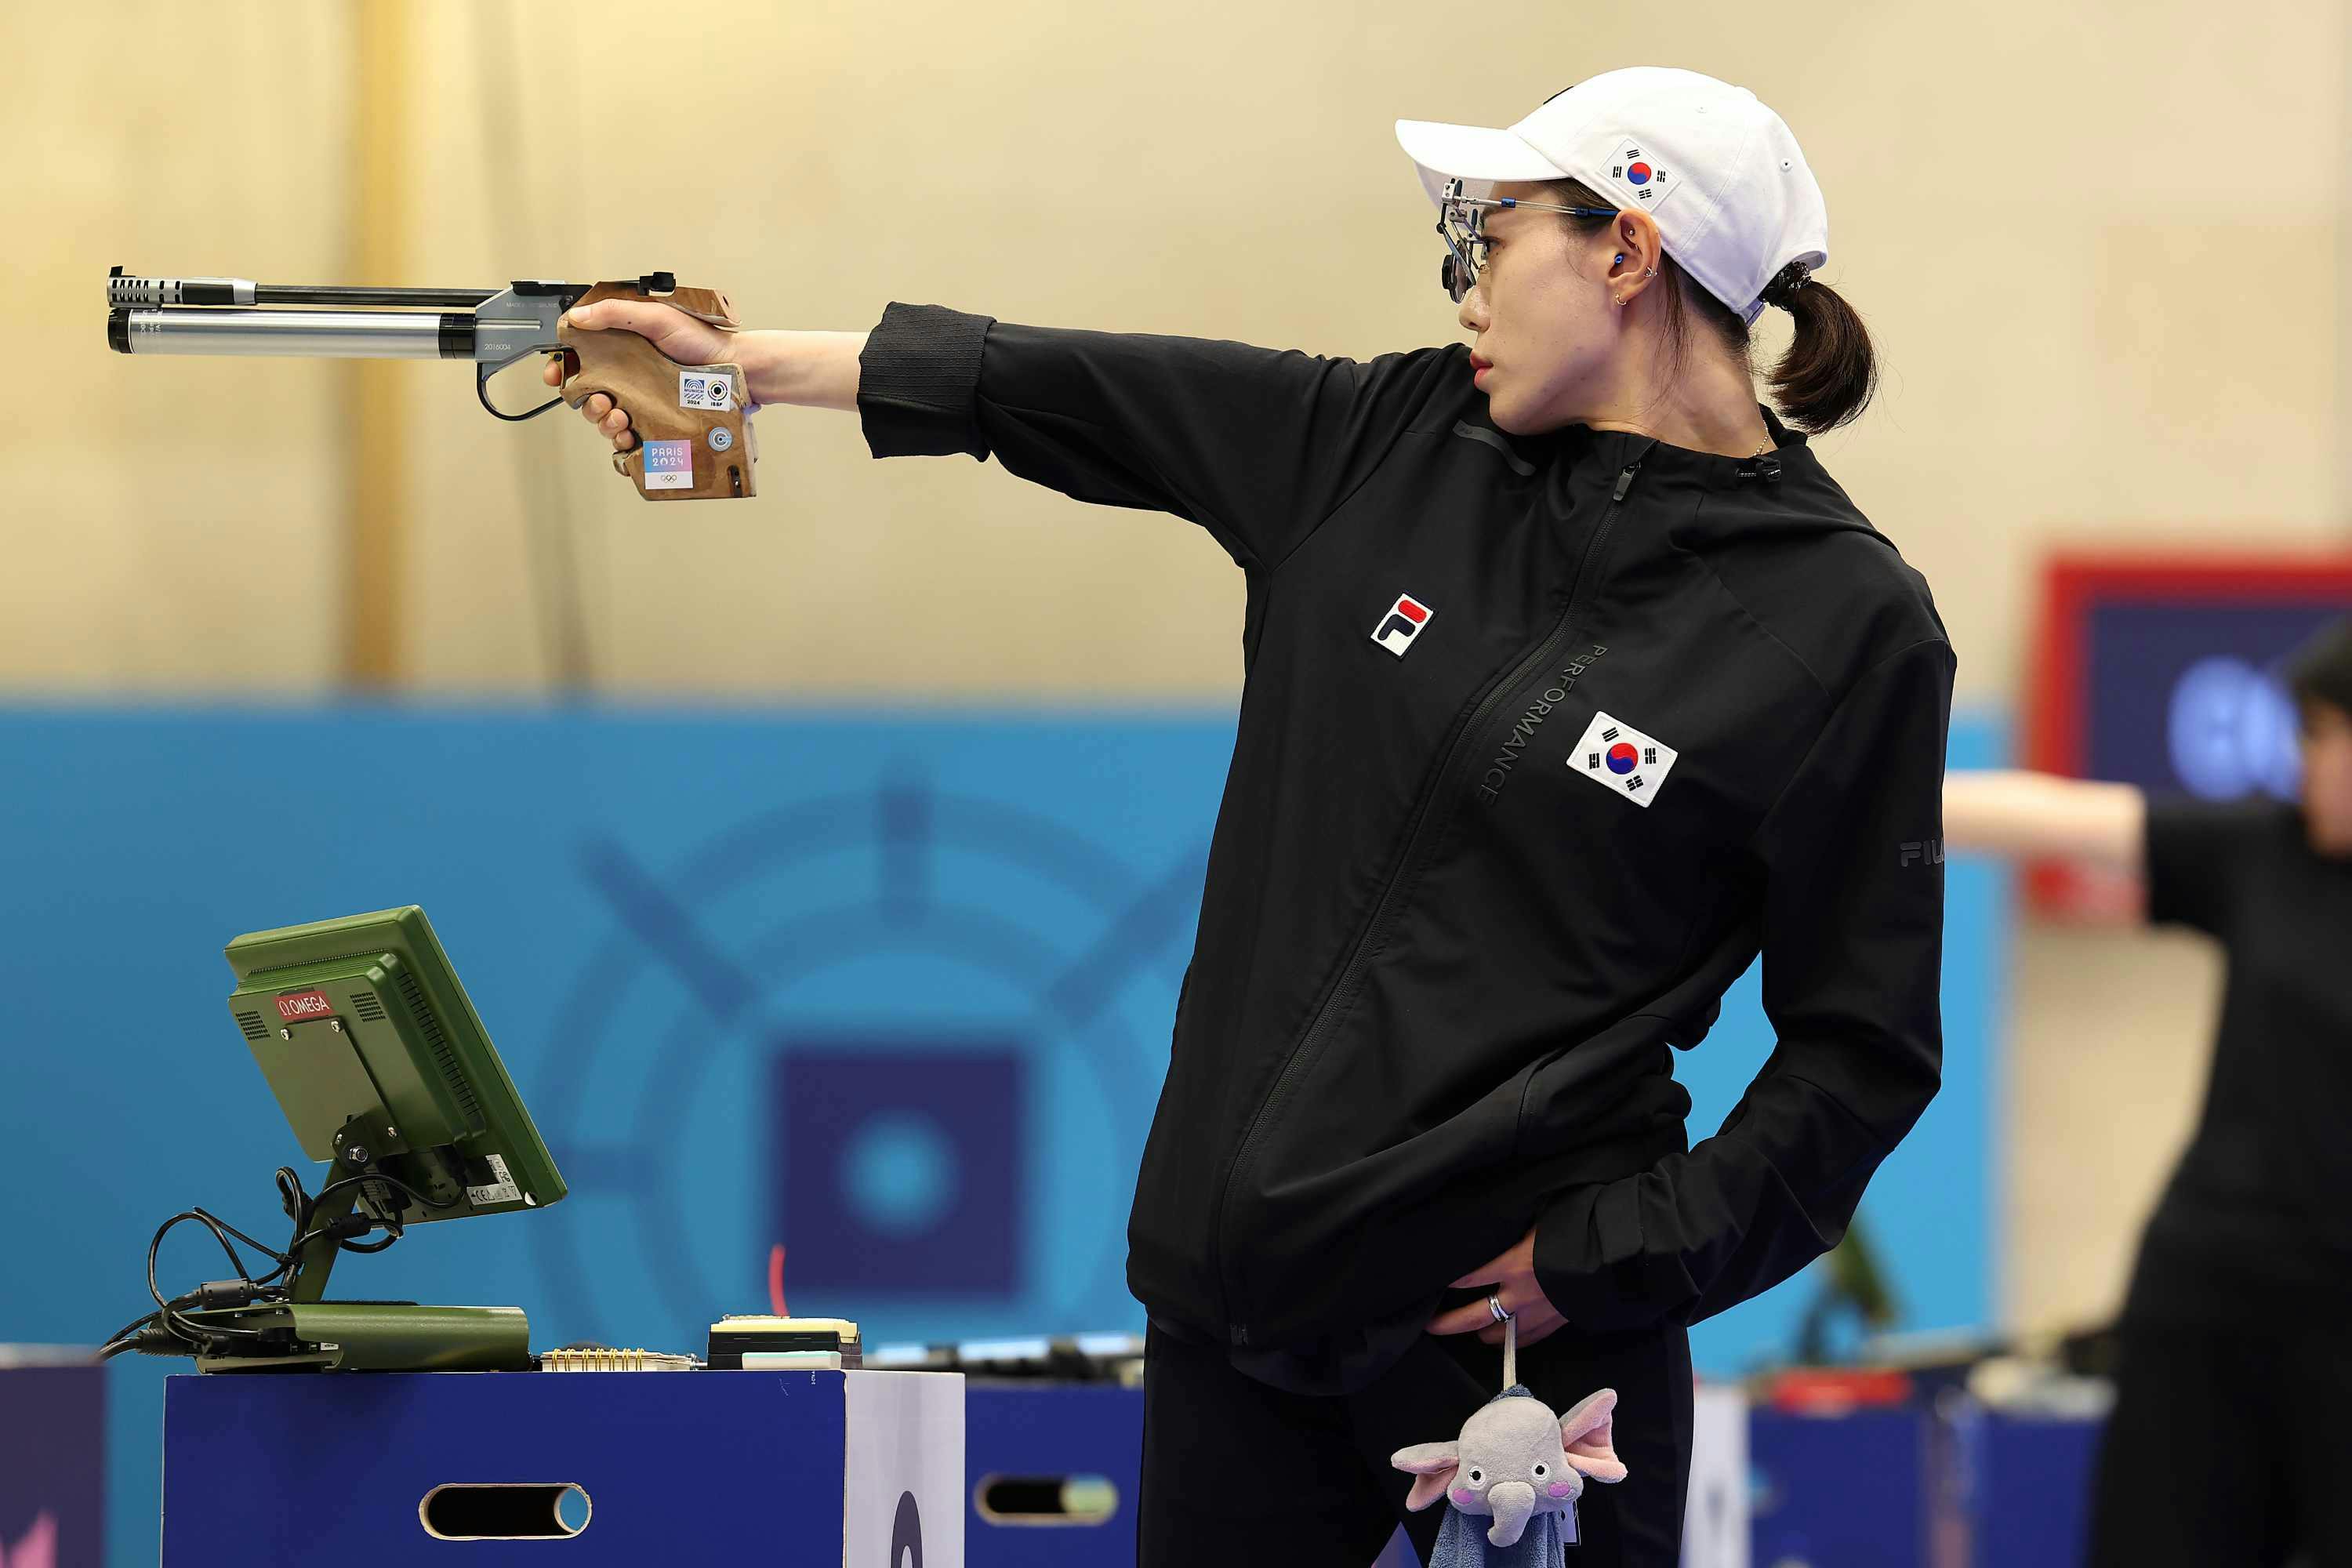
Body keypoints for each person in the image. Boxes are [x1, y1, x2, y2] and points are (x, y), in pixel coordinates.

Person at [548, 67, 1951, 1566]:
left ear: (1626, 253)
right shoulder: (1389, 440)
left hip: (1522, 1357)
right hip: (1236, 1318)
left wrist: (1604, 1263)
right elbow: (1062, 385)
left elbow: (1861, 1052)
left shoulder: (1843, 625)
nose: (1465, 288)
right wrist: (739, 367)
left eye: (1490, 235)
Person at [1943, 619, 2352, 1567]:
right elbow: (2058, 817)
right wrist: (1865, 786)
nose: (2306, 761)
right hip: (2216, 1294)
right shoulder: (2268, 855)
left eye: (2327, 736)